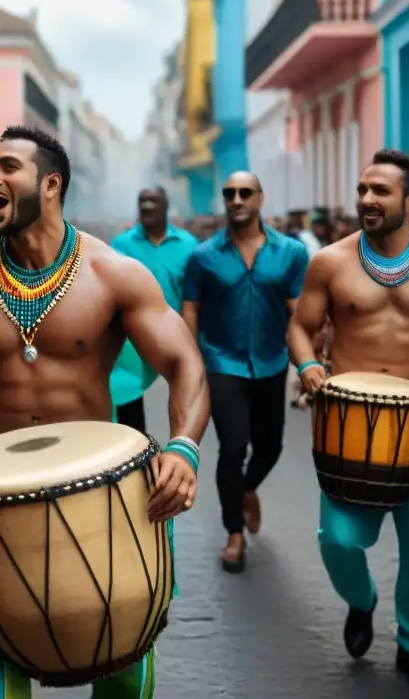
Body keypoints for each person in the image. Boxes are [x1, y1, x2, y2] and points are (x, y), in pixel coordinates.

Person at [0, 126, 209, 698]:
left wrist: (182, 446)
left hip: (101, 479)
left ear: (50, 184)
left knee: (124, 641)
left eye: (8, 167)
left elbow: (184, 362)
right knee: (6, 642)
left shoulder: (114, 274)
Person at [287, 149, 409, 695]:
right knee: (339, 542)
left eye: (381, 191)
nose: (367, 200)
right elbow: (301, 329)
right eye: (363, 190)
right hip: (349, 422)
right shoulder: (330, 261)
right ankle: (363, 600)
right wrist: (307, 366)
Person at [181, 172, 308, 573]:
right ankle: (234, 533)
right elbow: (191, 312)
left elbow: (299, 313)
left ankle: (247, 489)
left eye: (244, 193)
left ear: (259, 197)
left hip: (271, 362)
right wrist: (190, 364)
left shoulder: (290, 253)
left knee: (270, 448)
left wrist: (311, 358)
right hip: (223, 363)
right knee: (233, 447)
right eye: (229, 194)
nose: (236, 200)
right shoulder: (203, 257)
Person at [110, 187, 198, 434]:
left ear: (166, 205)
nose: (147, 206)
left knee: (184, 398)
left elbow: (194, 297)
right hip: (133, 339)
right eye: (143, 201)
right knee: (125, 393)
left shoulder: (188, 245)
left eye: (154, 201)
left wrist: (192, 340)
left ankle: (179, 447)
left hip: (176, 337)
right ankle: (136, 453)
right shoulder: (121, 244)